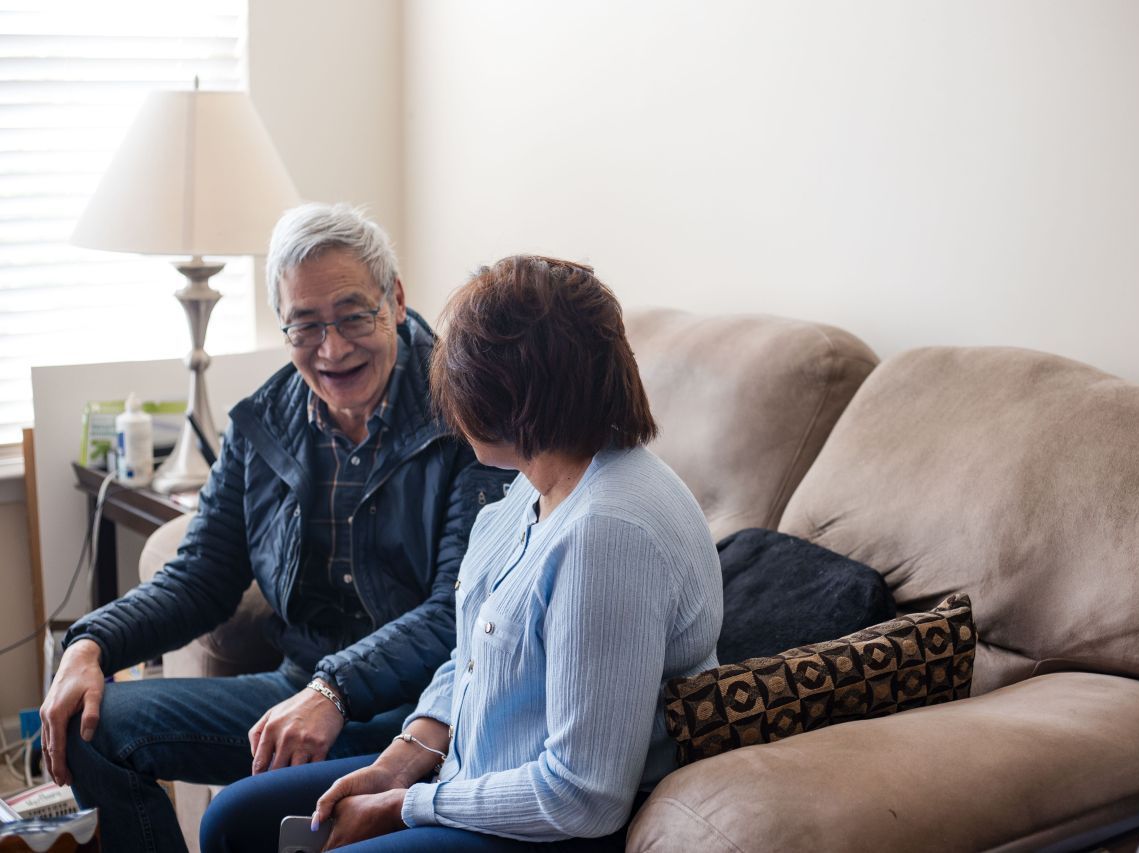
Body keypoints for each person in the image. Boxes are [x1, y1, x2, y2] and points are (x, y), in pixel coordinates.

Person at [200, 255, 724, 852]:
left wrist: (409, 806)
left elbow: (585, 795)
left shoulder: (607, 536)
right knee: (235, 821)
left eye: (461, 385)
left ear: (520, 397)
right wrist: (401, 760)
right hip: (470, 771)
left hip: (545, 829)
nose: (449, 410)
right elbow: (475, 650)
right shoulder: (534, 481)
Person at [39, 203, 513, 853]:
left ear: (395, 301)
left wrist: (336, 686)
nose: (333, 348)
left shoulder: (464, 408)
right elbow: (202, 575)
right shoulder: (261, 422)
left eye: (353, 314)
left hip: (423, 715)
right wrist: (91, 643)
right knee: (89, 721)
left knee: (234, 819)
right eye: (306, 325)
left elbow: (460, 612)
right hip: (296, 695)